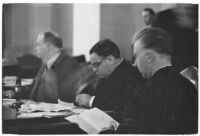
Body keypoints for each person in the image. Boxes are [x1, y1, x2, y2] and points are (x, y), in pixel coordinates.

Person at [117, 28, 198, 134]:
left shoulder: (146, 93)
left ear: (149, 57)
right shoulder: (189, 87)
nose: (135, 63)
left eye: (136, 56)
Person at [75, 39, 144, 115]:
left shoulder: (132, 75)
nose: (94, 70)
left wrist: (91, 101)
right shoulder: (106, 74)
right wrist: (80, 98)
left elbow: (121, 107)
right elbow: (93, 93)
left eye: (96, 65)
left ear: (110, 59)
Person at [29, 31, 80, 103]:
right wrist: (12, 91)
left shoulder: (69, 65)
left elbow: (69, 96)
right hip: (37, 110)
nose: (36, 48)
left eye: (38, 44)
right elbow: (34, 89)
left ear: (48, 46)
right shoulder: (46, 63)